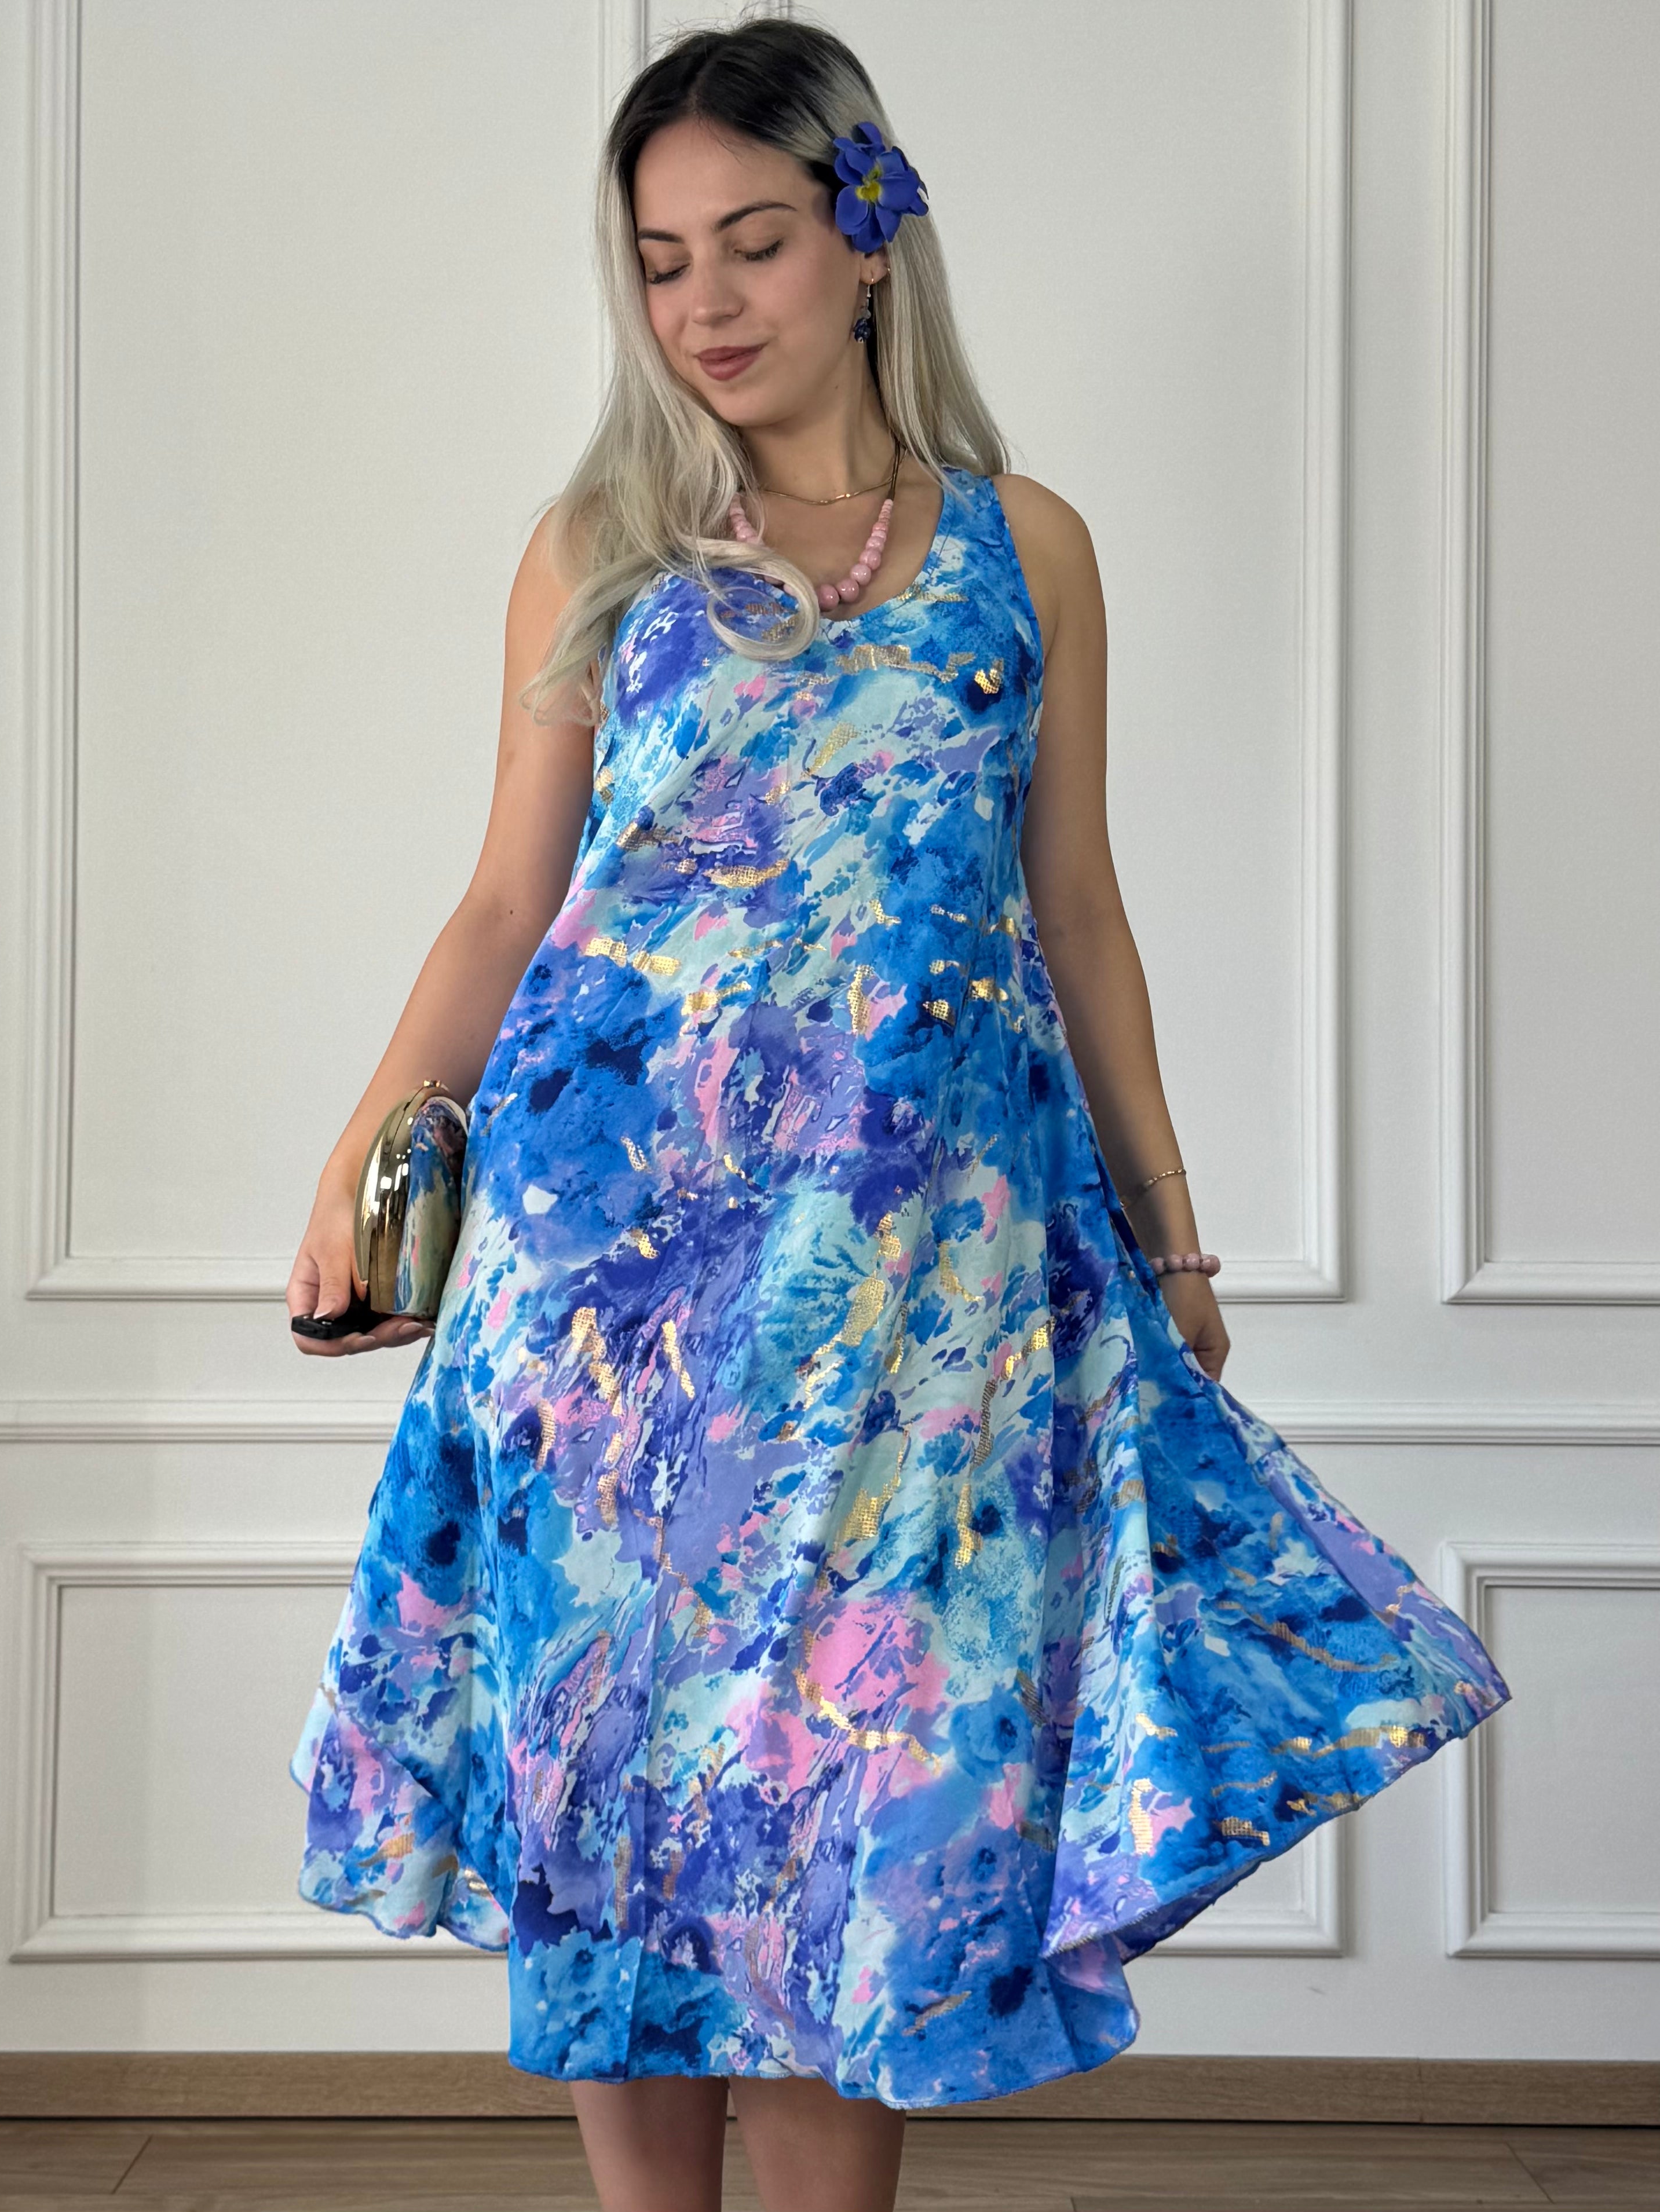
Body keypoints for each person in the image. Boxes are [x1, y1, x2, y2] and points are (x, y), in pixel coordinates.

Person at [284, 18, 1510, 2212]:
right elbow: (504, 898)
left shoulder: (1026, 550)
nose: (706, 302)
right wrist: (370, 1157)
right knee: (616, 1796)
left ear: (869, 242)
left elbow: (1081, 910)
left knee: (842, 1798)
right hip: (609, 1308)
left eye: (753, 241)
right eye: (663, 260)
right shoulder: (602, 549)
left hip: (915, 1307)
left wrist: (1172, 1234)